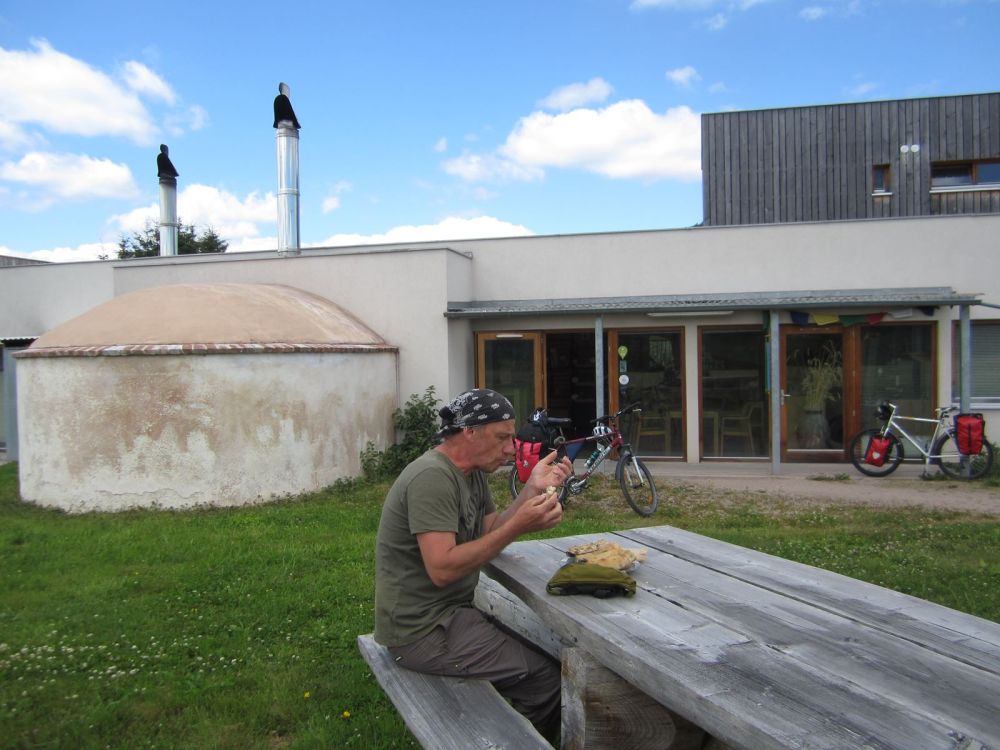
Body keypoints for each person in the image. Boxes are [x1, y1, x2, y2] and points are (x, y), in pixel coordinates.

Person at [374, 388, 571, 740]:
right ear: (469, 432)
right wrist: (519, 525)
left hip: (450, 614)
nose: (511, 449)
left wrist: (532, 490)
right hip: (420, 632)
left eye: (511, 438)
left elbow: (490, 532)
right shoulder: (432, 477)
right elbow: (442, 569)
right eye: (502, 438)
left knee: (552, 652)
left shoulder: (472, 473)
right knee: (547, 680)